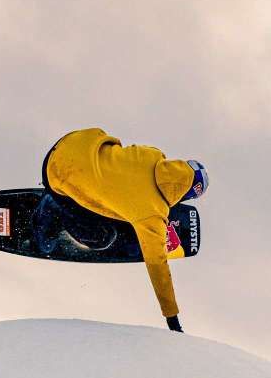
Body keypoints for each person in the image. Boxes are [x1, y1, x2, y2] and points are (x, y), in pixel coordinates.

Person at [41, 128, 207, 333]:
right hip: (57, 175)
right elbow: (157, 266)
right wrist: (172, 318)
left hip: (75, 141)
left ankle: (80, 192)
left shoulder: (153, 154)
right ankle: (51, 211)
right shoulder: (152, 216)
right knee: (103, 237)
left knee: (118, 195)